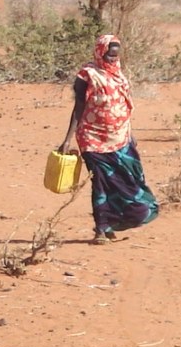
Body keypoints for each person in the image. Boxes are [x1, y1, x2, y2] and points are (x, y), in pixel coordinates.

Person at [58, 34, 159, 244]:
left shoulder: (119, 74)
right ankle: (101, 229)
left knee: (130, 180)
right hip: (92, 138)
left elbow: (122, 105)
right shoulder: (87, 75)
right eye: (109, 55)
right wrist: (68, 140)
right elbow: (78, 107)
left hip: (121, 137)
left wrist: (130, 132)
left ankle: (115, 222)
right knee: (102, 182)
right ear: (100, 51)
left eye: (115, 55)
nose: (113, 59)